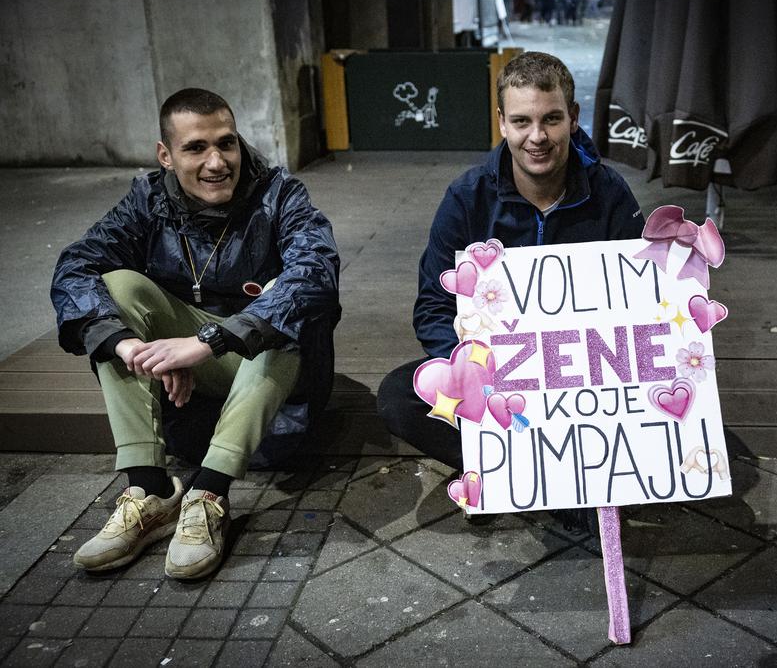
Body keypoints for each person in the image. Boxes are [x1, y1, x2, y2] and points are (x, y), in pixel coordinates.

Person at [51, 88, 341, 579]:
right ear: (166, 155)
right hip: (191, 384)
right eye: (195, 148)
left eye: (226, 144)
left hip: (271, 378)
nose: (216, 162)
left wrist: (205, 343)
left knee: (286, 298)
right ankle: (150, 490)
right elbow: (75, 268)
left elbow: (316, 272)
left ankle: (210, 494)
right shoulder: (147, 200)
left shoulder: (278, 194)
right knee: (114, 289)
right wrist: (134, 347)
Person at [377, 52, 643, 529]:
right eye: (521, 121)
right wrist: (473, 373)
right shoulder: (467, 197)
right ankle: (505, 467)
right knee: (400, 396)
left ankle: (551, 475)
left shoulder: (610, 193)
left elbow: (642, 304)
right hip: (495, 375)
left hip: (581, 379)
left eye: (551, 119)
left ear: (573, 118)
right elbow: (434, 306)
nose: (537, 137)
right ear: (501, 122)